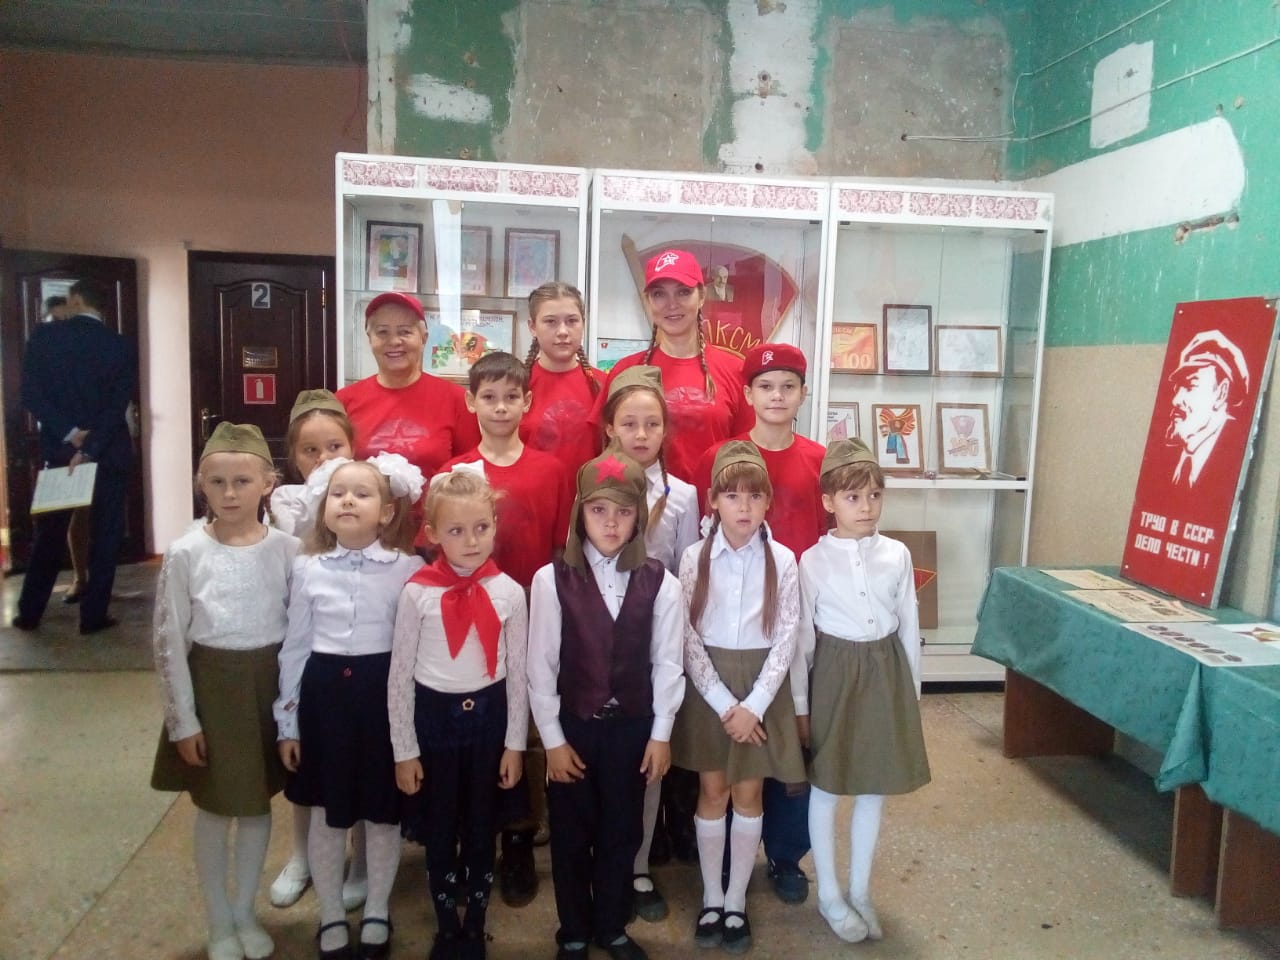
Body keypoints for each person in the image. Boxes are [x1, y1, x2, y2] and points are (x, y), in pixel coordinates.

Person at [527, 450, 685, 960]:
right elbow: (541, 666)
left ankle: (612, 925)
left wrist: (661, 734)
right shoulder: (552, 579)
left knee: (623, 830)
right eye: (598, 510)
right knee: (571, 833)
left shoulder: (662, 583)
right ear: (581, 514)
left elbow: (667, 664)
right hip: (574, 727)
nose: (611, 523)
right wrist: (552, 741)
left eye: (623, 511)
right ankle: (573, 928)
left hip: (632, 729)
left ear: (640, 516)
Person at [149, 423, 298, 960]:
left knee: (256, 808)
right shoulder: (186, 552)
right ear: (202, 486)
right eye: (217, 483)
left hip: (268, 689)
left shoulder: (288, 549)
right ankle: (218, 921)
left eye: (242, 481)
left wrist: (291, 713)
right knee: (215, 809)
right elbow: (168, 641)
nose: (230, 493)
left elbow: (298, 632)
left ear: (268, 484)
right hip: (213, 690)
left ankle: (244, 912)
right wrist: (183, 720)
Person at [275, 455, 426, 960]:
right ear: (324, 506)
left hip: (381, 695)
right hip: (324, 700)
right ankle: (331, 913)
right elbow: (295, 646)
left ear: (386, 511)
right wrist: (288, 721)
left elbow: (412, 649)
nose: (347, 501)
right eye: (338, 492)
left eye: (362, 494)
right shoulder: (307, 567)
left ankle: (378, 907)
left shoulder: (407, 569)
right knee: (326, 810)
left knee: (382, 813)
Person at [437, 350, 573, 906]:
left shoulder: (551, 470)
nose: (499, 407)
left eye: (510, 397)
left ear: (527, 402)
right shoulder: (454, 473)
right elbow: (438, 549)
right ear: (470, 401)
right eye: (488, 397)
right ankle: (472, 838)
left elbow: (561, 551)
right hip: (467, 625)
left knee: (529, 733)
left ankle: (519, 839)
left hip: (531, 621)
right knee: (475, 730)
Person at [691, 342, 826, 904]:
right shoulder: (718, 456)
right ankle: (724, 865)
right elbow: (701, 537)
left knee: (792, 739)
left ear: (802, 393)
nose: (776, 396)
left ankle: (786, 854)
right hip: (733, 619)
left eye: (788, 386)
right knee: (729, 764)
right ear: (747, 394)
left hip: (798, 615)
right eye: (765, 386)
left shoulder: (818, 459)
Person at [389, 464, 529, 960]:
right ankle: (447, 925)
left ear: (494, 525)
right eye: (455, 531)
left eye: (481, 527)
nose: (471, 541)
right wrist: (405, 751)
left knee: (481, 827)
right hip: (434, 725)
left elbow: (518, 675)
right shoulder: (418, 592)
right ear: (432, 533)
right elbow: (400, 675)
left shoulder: (509, 592)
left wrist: (515, 744)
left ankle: (476, 924)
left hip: (489, 723)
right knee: (441, 829)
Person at [671, 440, 804, 955]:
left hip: (761, 689)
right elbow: (687, 637)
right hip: (711, 690)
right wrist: (726, 705)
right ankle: (711, 896)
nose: (743, 506)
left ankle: (736, 900)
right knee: (713, 791)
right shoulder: (694, 558)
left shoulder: (783, 560)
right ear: (713, 501)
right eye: (731, 496)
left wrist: (754, 705)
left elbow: (787, 638)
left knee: (749, 794)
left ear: (768, 501)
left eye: (754, 496)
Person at [798, 438, 930, 944]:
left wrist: (910, 693)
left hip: (885, 671)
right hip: (835, 673)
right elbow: (803, 640)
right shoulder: (812, 561)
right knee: (829, 785)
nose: (866, 507)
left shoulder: (896, 554)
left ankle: (860, 890)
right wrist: (802, 704)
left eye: (875, 495)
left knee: (874, 784)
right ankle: (829, 894)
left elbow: (908, 624)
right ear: (829, 501)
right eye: (853, 497)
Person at [600, 365, 699, 919]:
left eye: (652, 424)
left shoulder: (682, 495)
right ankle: (600, 856)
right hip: (598, 640)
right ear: (610, 428)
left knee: (647, 754)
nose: (641, 434)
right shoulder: (592, 484)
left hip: (653, 637)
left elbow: (685, 573)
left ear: (665, 429)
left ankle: (638, 865)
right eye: (629, 423)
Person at [265, 389, 369, 914]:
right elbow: (305, 535)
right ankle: (300, 855)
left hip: (359, 647)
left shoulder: (366, 491)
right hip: (306, 644)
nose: (325, 459)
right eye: (311, 451)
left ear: (353, 446)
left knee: (361, 755)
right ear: (294, 457)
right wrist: (322, 489)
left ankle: (360, 858)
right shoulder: (288, 501)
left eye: (335, 447)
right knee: (307, 754)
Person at [13, 278, 137, 634]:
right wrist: (91, 446)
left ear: (76, 299)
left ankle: (30, 612)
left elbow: (30, 395)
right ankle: (93, 616)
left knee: (49, 535)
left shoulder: (45, 337)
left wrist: (69, 433)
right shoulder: (119, 345)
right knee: (106, 536)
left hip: (60, 453)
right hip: (108, 453)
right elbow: (117, 406)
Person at [595, 249, 753, 482]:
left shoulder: (735, 370)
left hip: (716, 502)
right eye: (659, 294)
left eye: (683, 292)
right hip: (641, 502)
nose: (672, 304)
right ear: (647, 300)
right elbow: (603, 452)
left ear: (701, 296)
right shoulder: (625, 371)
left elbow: (748, 456)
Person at [336, 291, 481, 503]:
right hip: (364, 522)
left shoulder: (456, 399)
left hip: (435, 521)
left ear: (423, 339)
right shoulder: (343, 401)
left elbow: (470, 475)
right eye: (382, 332)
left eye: (405, 331)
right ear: (370, 339)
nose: (394, 341)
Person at [521, 281, 605, 478]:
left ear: (583, 323)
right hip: (531, 492)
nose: (562, 332)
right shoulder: (515, 386)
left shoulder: (604, 384)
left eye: (572, 321)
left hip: (590, 495)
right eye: (551, 322)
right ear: (532, 327)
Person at [1163, 328, 1251, 489]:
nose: (1175, 400)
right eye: (1177, 387)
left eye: (1190, 386)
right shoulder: (1164, 463)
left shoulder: (1236, 454)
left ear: (1221, 394)